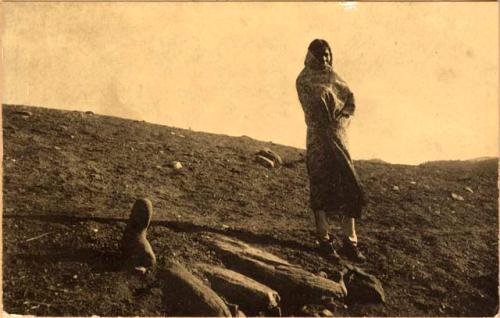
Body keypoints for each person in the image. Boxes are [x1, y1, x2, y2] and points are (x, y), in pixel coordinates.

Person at [296, 39, 367, 262]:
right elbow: (314, 107)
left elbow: (349, 101)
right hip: (319, 139)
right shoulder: (304, 79)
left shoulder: (336, 79)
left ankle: (350, 242)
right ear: (311, 56)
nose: (325, 59)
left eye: (327, 54)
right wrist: (329, 115)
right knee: (321, 185)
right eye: (320, 55)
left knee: (348, 184)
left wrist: (342, 117)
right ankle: (324, 239)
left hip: (339, 137)